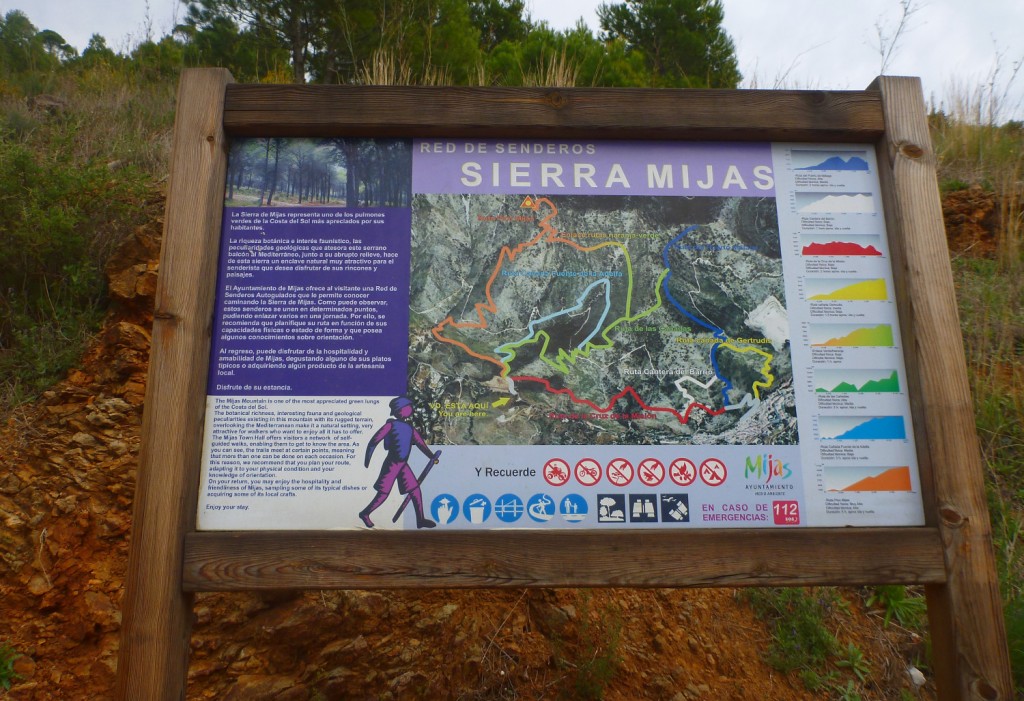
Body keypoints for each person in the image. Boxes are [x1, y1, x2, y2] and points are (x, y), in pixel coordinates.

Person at [359, 396, 438, 528]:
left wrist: (431, 456)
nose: (411, 409)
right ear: (400, 410)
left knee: (415, 490)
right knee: (383, 494)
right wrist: (367, 459)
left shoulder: (410, 428)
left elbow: (420, 444)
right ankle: (365, 513)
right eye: (408, 407)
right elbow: (374, 441)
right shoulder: (390, 425)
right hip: (392, 464)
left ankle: (420, 520)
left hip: (403, 465)